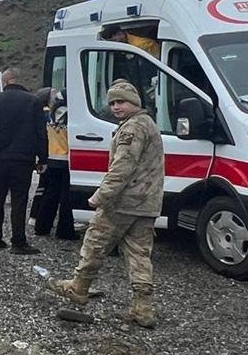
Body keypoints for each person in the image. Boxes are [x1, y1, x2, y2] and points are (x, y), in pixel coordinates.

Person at [46, 81, 163, 328]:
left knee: (94, 243)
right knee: (139, 255)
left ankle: (79, 287)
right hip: (147, 203)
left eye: (121, 101)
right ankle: (143, 308)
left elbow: (122, 167)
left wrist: (100, 196)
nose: (116, 107)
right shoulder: (148, 124)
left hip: (123, 202)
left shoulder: (132, 129)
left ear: (134, 102)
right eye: (112, 103)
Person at [0, 68, 47, 255]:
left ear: (4, 81)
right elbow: (41, 132)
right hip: (22, 159)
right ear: (18, 79)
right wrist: (43, 158)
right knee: (19, 200)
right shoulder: (33, 101)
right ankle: (18, 241)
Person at [32, 88, 78, 240]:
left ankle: (42, 226)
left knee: (49, 194)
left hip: (51, 157)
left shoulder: (50, 114)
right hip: (65, 159)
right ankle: (65, 231)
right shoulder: (70, 115)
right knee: (66, 197)